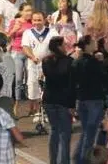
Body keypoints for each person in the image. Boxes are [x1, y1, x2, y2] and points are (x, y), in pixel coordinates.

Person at [42, 36, 75, 164]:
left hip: (49, 98)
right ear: (59, 46)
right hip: (64, 100)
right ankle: (64, 161)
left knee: (54, 130)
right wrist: (72, 105)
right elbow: (71, 84)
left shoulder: (45, 61)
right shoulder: (69, 61)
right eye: (64, 45)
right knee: (65, 133)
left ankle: (53, 160)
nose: (66, 46)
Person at [73, 35, 106, 164]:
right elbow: (102, 78)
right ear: (87, 45)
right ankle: (84, 160)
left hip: (82, 99)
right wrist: (101, 62)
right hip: (94, 99)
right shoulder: (93, 62)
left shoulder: (77, 62)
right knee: (90, 133)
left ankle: (78, 157)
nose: (95, 43)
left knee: (86, 131)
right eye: (93, 41)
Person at [21, 11, 59, 118]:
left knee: (48, 87)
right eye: (35, 20)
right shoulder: (27, 33)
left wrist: (51, 58)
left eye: (39, 20)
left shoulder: (52, 32)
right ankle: (38, 112)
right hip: (33, 64)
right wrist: (33, 57)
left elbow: (57, 46)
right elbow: (25, 47)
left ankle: (48, 111)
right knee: (34, 87)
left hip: (49, 65)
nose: (37, 22)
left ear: (44, 20)